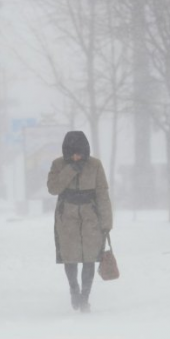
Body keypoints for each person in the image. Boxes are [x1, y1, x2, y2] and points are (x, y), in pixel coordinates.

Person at [47, 131, 113, 313]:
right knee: (70, 257)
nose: (77, 156)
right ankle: (74, 289)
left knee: (89, 257)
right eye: (73, 153)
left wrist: (107, 222)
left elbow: (102, 194)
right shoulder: (58, 164)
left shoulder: (95, 165)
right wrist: (70, 170)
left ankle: (85, 297)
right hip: (66, 216)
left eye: (80, 152)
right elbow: (53, 188)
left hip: (91, 217)